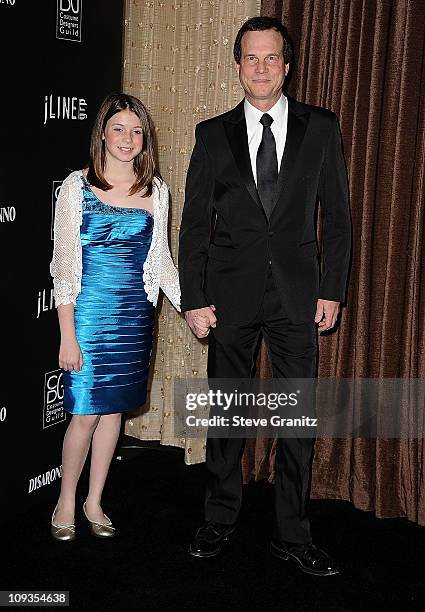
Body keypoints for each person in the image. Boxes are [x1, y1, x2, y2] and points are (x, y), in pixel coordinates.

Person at [178, 17, 351, 575]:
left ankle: (292, 534)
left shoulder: (320, 127)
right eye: (251, 58)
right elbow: (194, 225)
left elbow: (340, 219)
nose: (260, 67)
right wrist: (193, 297)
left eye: (271, 58)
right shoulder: (211, 134)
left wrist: (332, 290)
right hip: (229, 297)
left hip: (299, 298)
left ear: (287, 65)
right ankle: (220, 517)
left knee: (297, 417)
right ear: (237, 66)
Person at [50, 93, 180, 541]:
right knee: (85, 414)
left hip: (134, 317)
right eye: (119, 128)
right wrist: (68, 336)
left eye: (137, 131)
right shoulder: (75, 187)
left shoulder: (156, 190)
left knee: (114, 415)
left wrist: (191, 307)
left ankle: (94, 500)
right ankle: (66, 499)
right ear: (102, 132)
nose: (128, 139)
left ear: (145, 140)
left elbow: (160, 261)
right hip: (88, 317)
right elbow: (63, 267)